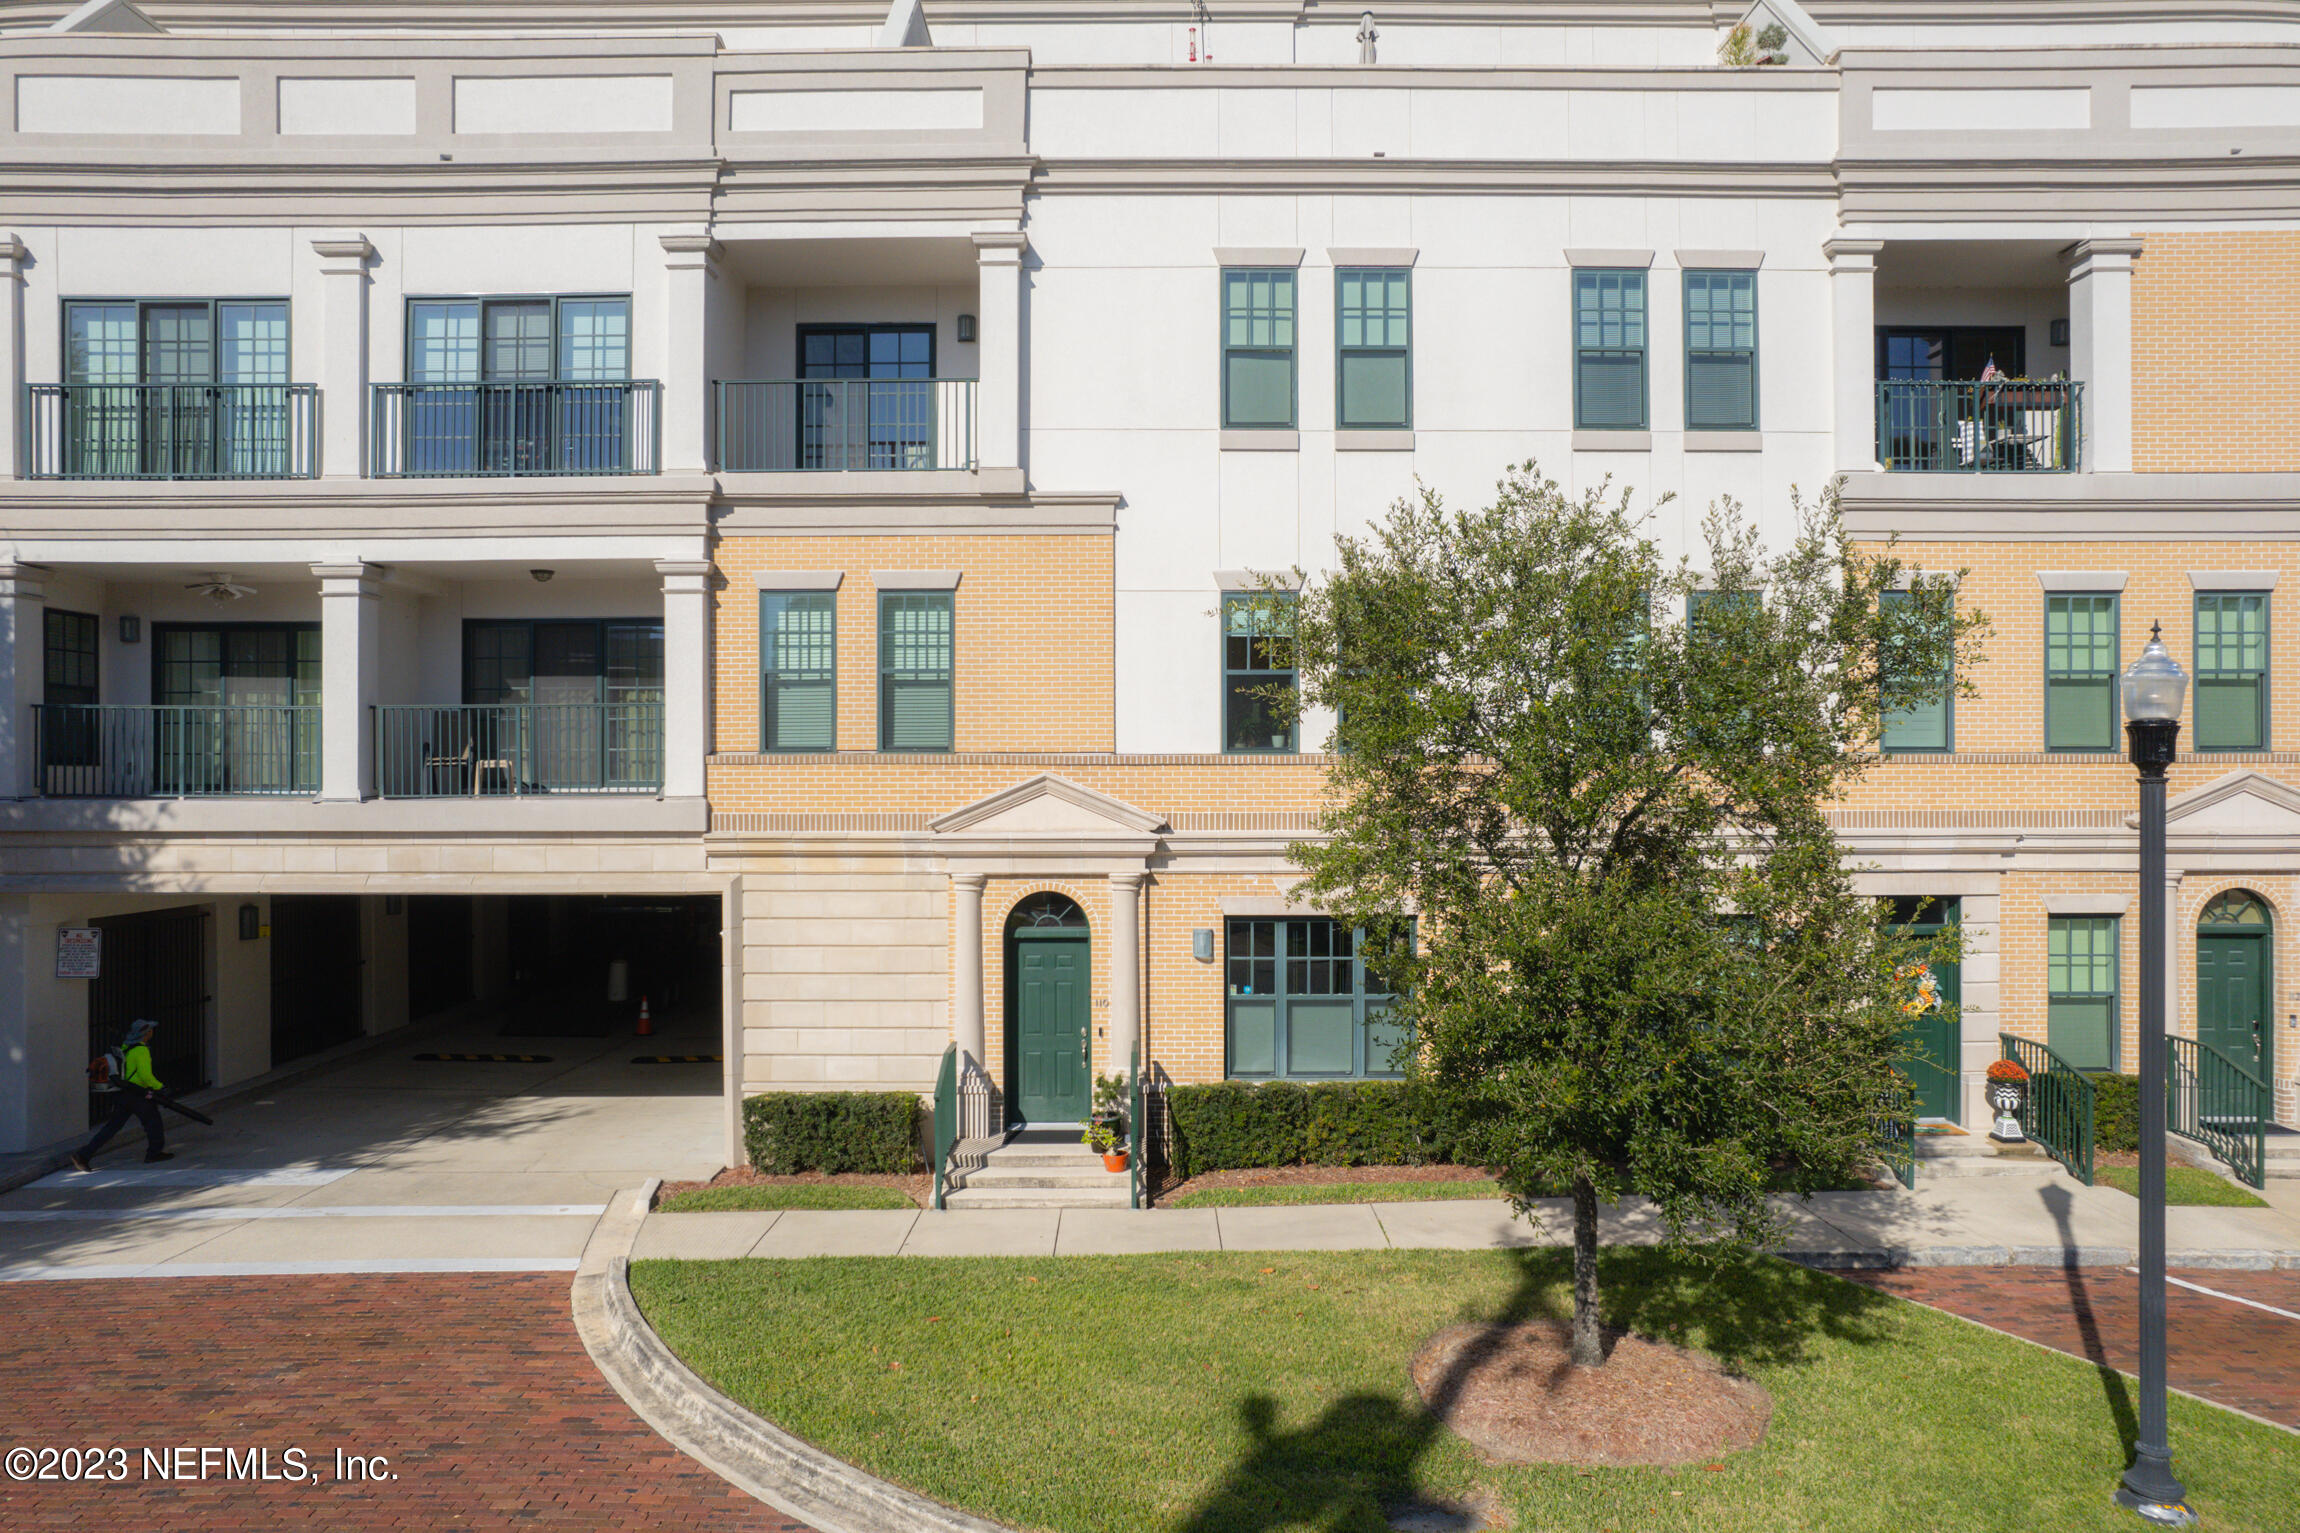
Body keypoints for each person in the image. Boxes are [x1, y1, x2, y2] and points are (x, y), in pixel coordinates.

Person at [69, 1019, 174, 1170]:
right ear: (146, 1033)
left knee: (112, 1127)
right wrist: (160, 1086)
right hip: (138, 1093)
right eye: (150, 1029)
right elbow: (145, 1076)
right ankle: (154, 1153)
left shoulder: (125, 1046)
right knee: (153, 1122)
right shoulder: (141, 1050)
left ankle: (84, 1155)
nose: (152, 1031)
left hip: (122, 1093)